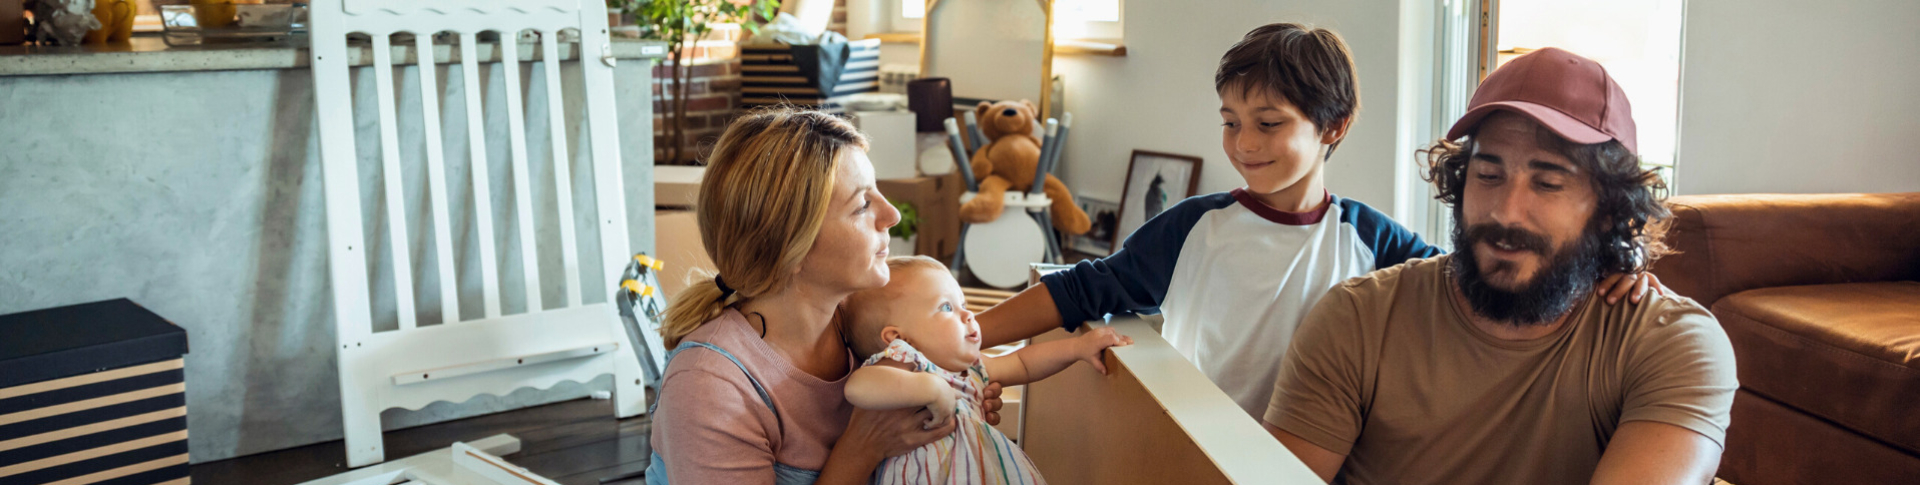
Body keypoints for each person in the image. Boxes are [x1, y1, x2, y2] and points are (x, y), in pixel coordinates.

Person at [976, 23, 1659, 419]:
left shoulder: (1374, 239)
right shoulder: (1193, 227)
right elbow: (1084, 287)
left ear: (1334, 126)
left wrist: (1612, 266)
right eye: (1231, 124)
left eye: (1269, 124)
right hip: (1191, 435)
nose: (1245, 144)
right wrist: (967, 333)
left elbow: (1480, 278)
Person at [1261, 47, 1738, 484]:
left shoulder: (1672, 345)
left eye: (1548, 183)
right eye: (1488, 175)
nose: (1506, 212)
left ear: (1610, 208)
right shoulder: (1358, 318)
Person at [647, 109, 960, 485]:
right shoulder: (710, 386)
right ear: (791, 249)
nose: (891, 214)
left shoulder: (860, 319)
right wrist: (861, 449)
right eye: (862, 205)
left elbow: (961, 344)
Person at [839, 256, 1132, 485]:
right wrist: (933, 389)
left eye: (963, 303)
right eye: (946, 308)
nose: (968, 315)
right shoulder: (905, 361)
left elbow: (1023, 362)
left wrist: (1077, 349)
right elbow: (859, 387)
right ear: (899, 338)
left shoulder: (973, 369)